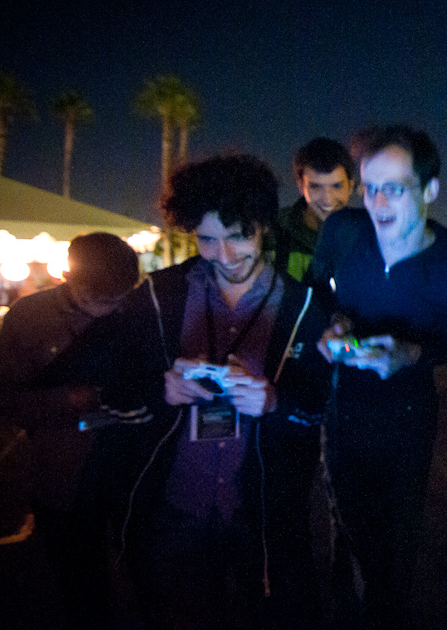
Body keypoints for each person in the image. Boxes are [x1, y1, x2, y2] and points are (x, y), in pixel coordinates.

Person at [111, 154, 331, 630]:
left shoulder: (305, 307)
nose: (224, 255)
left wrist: (274, 403)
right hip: (173, 512)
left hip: (261, 517)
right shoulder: (159, 294)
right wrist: (160, 389)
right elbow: (115, 391)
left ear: (264, 226)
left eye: (237, 236)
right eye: (207, 239)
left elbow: (320, 412)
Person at [307, 125, 447, 628]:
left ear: (429, 191)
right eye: (370, 187)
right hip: (342, 409)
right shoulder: (343, 231)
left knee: (397, 542)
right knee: (349, 525)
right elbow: (319, 291)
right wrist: (335, 324)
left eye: (395, 188)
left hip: (407, 416)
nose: (378, 201)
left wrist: (409, 353)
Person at [0, 231, 141, 628]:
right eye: (97, 300)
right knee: (81, 587)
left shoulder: (139, 311)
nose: (107, 310)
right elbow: (2, 399)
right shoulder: (29, 317)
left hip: (135, 468)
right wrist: (66, 399)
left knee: (149, 576)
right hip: (63, 475)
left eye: (117, 299)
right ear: (66, 277)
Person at [275, 137, 357, 282]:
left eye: (337, 186)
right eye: (315, 186)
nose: (327, 199)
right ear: (301, 186)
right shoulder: (273, 232)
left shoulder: (369, 235)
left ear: (350, 186)